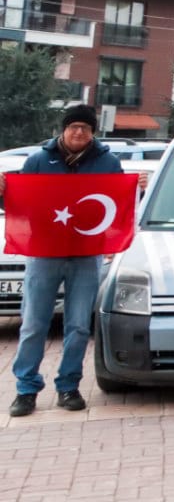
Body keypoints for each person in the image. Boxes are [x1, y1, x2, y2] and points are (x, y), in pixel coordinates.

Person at [4, 105, 125, 416]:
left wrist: (134, 190)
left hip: (86, 255)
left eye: (85, 128)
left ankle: (68, 385)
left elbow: (119, 205)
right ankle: (26, 389)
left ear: (93, 132)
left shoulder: (108, 163)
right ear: (64, 129)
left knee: (78, 326)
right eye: (74, 127)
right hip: (44, 253)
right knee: (33, 324)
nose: (79, 132)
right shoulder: (38, 161)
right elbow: (18, 202)